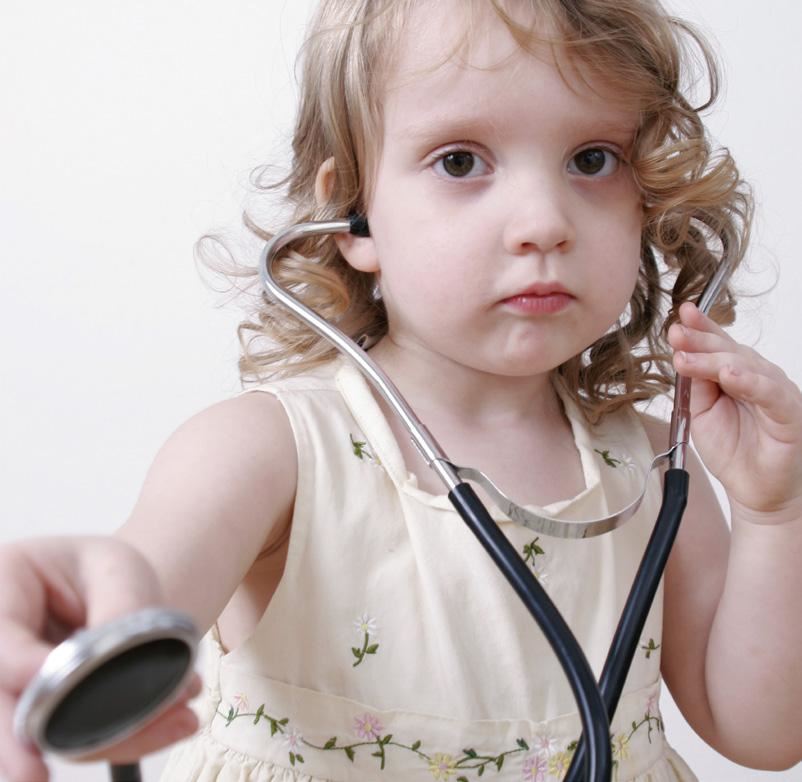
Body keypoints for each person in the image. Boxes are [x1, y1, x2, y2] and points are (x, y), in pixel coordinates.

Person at [2, 0, 801, 779]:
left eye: (592, 158)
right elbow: (136, 590)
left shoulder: (659, 470)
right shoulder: (269, 451)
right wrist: (74, 612)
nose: (544, 220)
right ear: (354, 217)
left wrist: (775, 513)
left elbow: (762, 734)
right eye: (461, 161)